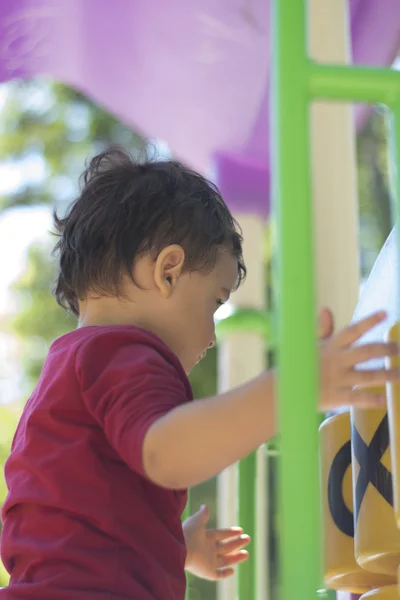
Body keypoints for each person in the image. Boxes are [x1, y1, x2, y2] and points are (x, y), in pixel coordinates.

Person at [0, 146, 398, 600]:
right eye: (214, 301)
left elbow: (76, 517)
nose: (211, 336)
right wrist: (293, 387)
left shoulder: (71, 365)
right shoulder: (127, 352)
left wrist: (174, 544)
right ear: (169, 271)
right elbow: (167, 453)